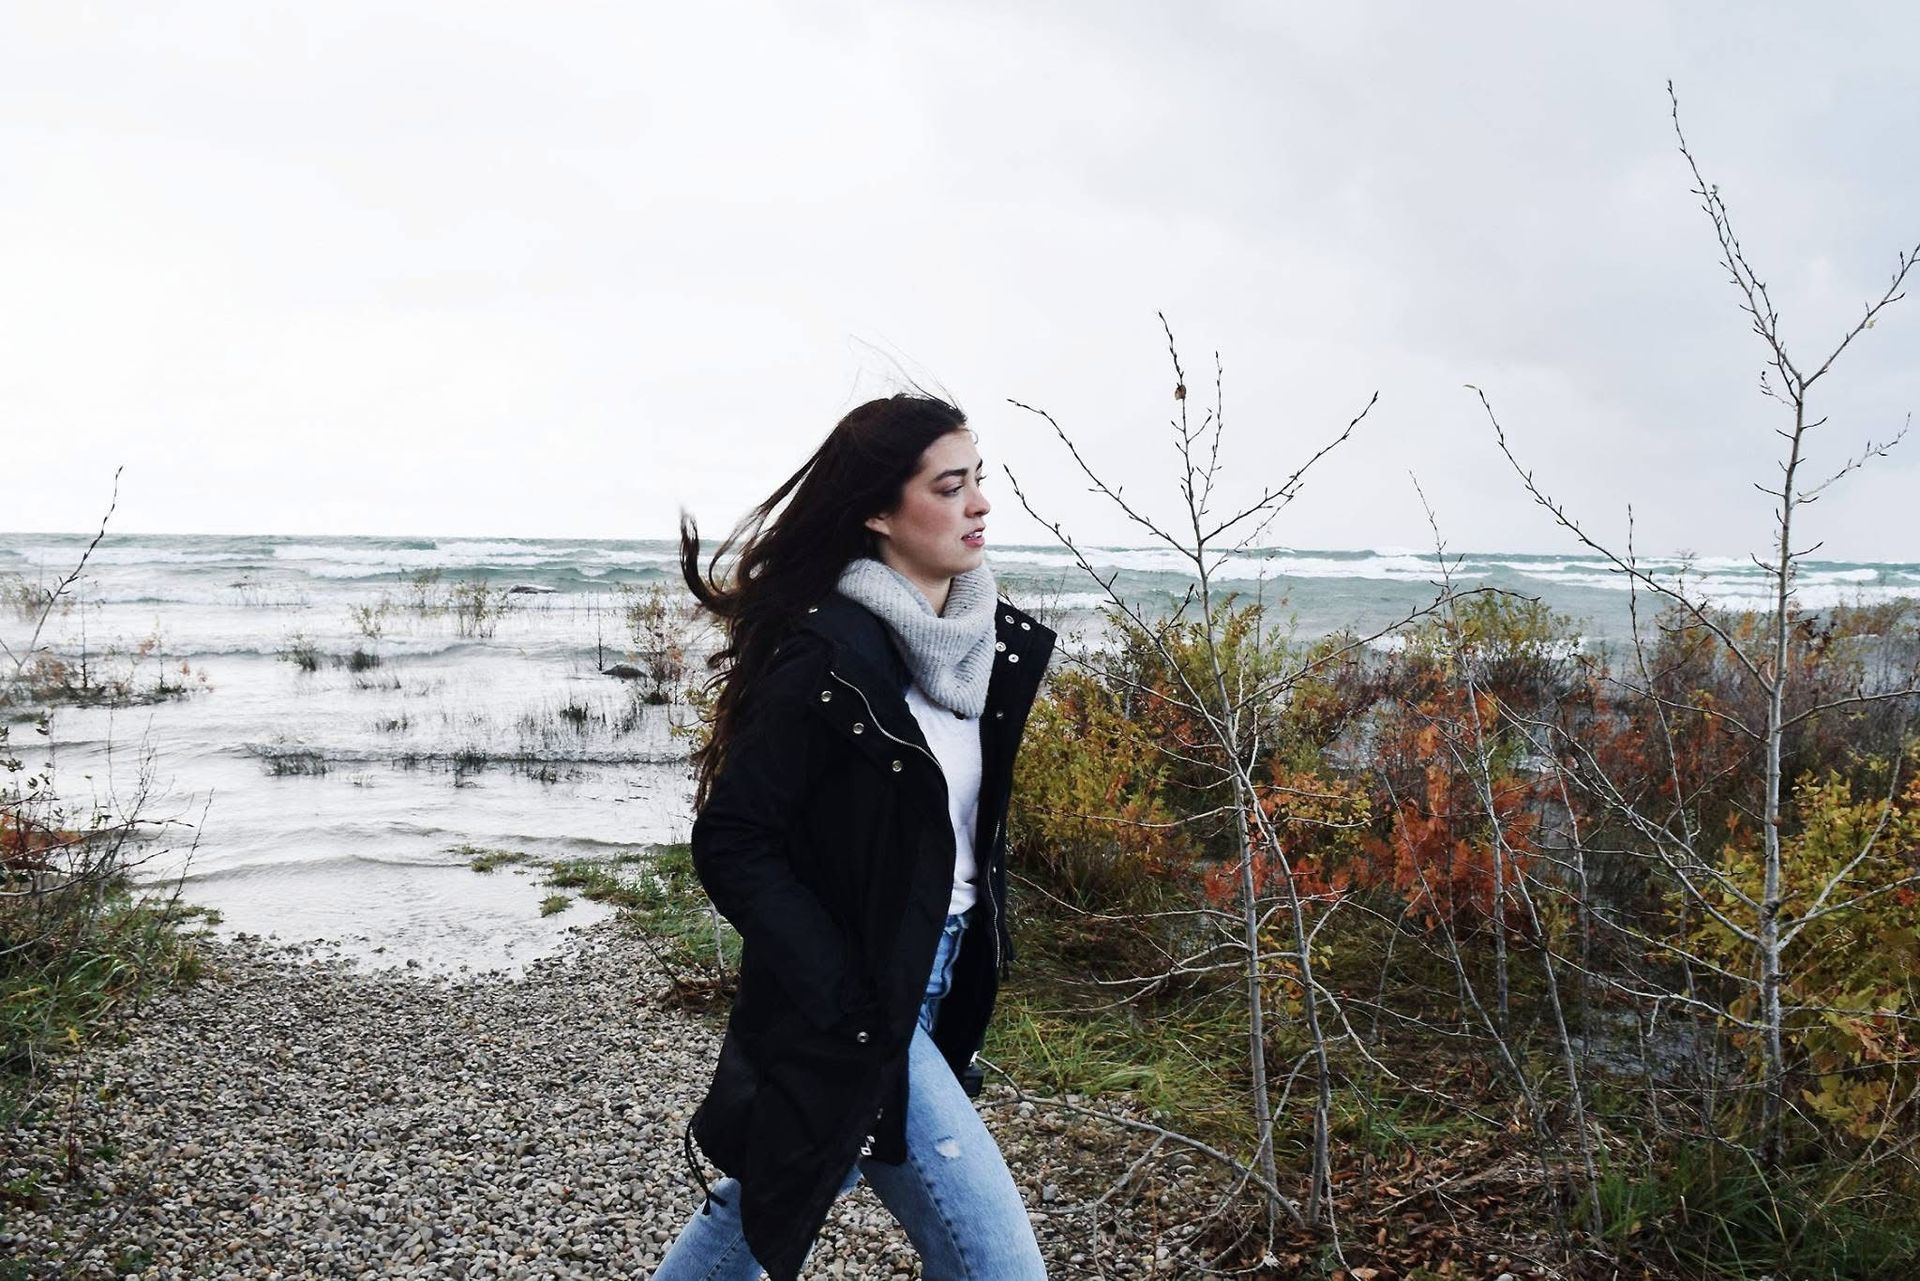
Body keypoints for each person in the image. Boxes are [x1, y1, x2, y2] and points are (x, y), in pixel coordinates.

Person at [653, 393, 1055, 1281]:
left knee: (780, 1185)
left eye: (978, 481)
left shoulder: (984, 647)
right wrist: (839, 991)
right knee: (1001, 1267)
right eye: (950, 487)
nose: (980, 504)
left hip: (936, 978)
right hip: (864, 994)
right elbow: (733, 838)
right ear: (878, 510)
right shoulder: (827, 657)